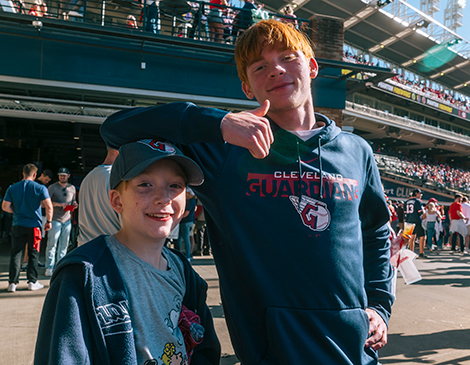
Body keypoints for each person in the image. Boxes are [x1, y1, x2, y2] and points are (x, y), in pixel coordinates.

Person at [100, 19, 394, 364]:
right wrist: (219, 123)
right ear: (247, 88)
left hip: (354, 346)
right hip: (272, 349)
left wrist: (379, 303)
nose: (276, 70)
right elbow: (115, 128)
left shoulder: (357, 151)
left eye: (288, 57)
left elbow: (375, 230)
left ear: (312, 66)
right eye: (260, 66)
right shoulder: (224, 151)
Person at [34, 139, 220, 364]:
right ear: (116, 200)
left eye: (175, 186)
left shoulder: (183, 271)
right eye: (145, 184)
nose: (164, 197)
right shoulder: (81, 275)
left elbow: (204, 348)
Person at [2, 163, 53, 292]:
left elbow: (5, 207)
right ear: (35, 174)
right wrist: (49, 221)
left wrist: (17, 211)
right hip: (34, 226)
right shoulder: (40, 188)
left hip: (18, 224)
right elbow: (49, 206)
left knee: (16, 254)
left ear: (22, 173)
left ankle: (12, 283)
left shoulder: (12, 188)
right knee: (33, 254)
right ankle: (32, 281)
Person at [77, 147, 121, 246]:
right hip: (112, 250)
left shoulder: (88, 178)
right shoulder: (117, 178)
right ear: (118, 151)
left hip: (86, 249)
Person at [44, 167, 77, 276]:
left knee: (64, 245)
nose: (62, 177)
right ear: (58, 176)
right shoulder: (52, 187)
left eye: (64, 175)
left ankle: (60, 266)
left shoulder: (72, 188)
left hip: (67, 219)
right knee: (52, 244)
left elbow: (73, 200)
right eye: (60, 175)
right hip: (55, 219)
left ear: (68, 175)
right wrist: (59, 204)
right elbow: (45, 203)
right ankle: (49, 267)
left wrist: (75, 205)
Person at [176, 187, 197, 260]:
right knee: (185, 238)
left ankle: (187, 255)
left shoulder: (190, 201)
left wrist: (177, 218)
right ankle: (187, 255)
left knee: (185, 238)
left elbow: (186, 213)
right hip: (189, 221)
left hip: (186, 221)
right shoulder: (193, 201)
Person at [405, 189, 426, 258]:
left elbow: (405, 213)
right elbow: (421, 212)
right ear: (416, 193)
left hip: (408, 221)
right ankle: (421, 253)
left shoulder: (406, 202)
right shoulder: (418, 201)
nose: (421, 195)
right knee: (422, 236)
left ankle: (411, 252)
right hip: (416, 220)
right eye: (420, 193)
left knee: (410, 238)